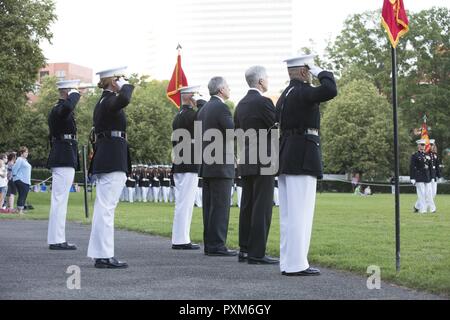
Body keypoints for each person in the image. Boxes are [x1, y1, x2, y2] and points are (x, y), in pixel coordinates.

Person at [276, 54, 337, 276]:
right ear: (304, 72)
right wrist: (320, 70)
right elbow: (330, 89)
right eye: (308, 71)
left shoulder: (285, 94)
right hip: (302, 155)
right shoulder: (302, 91)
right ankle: (297, 264)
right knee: (301, 213)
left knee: (289, 215)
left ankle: (289, 262)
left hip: (287, 155)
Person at [87, 66, 134, 269]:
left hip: (109, 156)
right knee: (106, 209)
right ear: (113, 82)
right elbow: (125, 98)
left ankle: (101, 254)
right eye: (120, 78)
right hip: (112, 157)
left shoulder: (104, 101)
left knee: (103, 208)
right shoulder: (108, 100)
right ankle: (104, 255)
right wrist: (126, 85)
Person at [234, 65, 278, 265]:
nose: (267, 81)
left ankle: (244, 249)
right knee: (262, 206)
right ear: (260, 81)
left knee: (247, 204)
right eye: (266, 78)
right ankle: (257, 253)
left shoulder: (240, 104)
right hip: (264, 159)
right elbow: (276, 128)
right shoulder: (264, 102)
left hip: (246, 158)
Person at [197, 76, 237, 257]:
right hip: (221, 164)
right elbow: (232, 132)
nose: (229, 89)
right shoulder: (221, 107)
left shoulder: (203, 109)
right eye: (227, 86)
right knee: (220, 207)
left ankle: (210, 244)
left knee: (210, 207)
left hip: (207, 163)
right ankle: (217, 245)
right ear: (221, 89)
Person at [46, 79, 81, 251]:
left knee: (59, 200)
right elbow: (68, 107)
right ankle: (57, 239)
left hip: (63, 154)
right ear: (68, 93)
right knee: (60, 200)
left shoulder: (59, 109)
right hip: (63, 155)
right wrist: (75, 94)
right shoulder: (61, 108)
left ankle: (57, 238)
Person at [171, 85, 201, 250]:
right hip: (189, 162)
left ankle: (180, 238)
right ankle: (181, 239)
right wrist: (200, 102)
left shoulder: (179, 115)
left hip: (181, 161)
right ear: (189, 96)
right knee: (186, 202)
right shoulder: (191, 115)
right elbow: (204, 117)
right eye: (194, 94)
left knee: (182, 202)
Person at [410, 139, 435, 214]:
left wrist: (432, 177)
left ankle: (432, 208)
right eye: (421, 145)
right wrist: (412, 178)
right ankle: (423, 209)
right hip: (419, 177)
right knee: (422, 194)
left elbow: (430, 167)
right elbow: (412, 167)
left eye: (424, 145)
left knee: (429, 193)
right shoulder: (415, 155)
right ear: (418, 146)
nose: (423, 146)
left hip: (427, 177)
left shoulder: (427, 155)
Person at [12, 147, 32, 214]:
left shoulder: (25, 160)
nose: (27, 153)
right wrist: (16, 176)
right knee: (22, 195)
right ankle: (20, 210)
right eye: (25, 152)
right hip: (21, 180)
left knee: (22, 195)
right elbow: (14, 169)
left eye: (27, 152)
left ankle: (19, 209)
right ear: (21, 153)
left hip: (26, 181)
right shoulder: (20, 159)